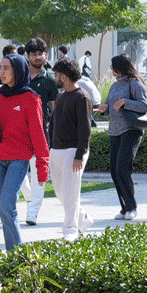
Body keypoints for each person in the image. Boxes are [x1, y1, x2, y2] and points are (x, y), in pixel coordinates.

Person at [0, 53, 50, 250]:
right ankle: (15, 254)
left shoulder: (31, 99)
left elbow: (39, 134)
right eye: (0, 67)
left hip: (18, 159)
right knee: (2, 208)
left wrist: (42, 166)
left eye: (7, 68)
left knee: (6, 205)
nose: (1, 72)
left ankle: (17, 255)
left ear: (18, 71)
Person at [95, 54, 147, 220]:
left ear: (119, 67)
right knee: (114, 171)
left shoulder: (135, 83)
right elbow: (111, 110)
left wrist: (126, 101)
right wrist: (104, 109)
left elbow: (144, 106)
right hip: (114, 131)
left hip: (131, 130)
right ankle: (124, 208)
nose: (111, 70)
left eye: (113, 67)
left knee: (122, 169)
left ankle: (132, 207)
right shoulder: (114, 86)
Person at [48, 58, 94, 240]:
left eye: (57, 74)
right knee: (60, 191)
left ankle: (70, 230)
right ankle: (83, 218)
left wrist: (79, 155)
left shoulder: (82, 97)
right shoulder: (61, 97)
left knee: (71, 192)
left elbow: (85, 128)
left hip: (73, 150)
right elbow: (53, 123)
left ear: (64, 77)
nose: (55, 77)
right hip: (56, 150)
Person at [22, 37, 59, 225]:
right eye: (34, 53)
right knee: (17, 172)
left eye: (41, 53)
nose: (38, 57)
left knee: (39, 172)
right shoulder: (19, 76)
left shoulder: (50, 80)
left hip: (41, 133)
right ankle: (29, 197)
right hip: (18, 132)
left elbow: (55, 109)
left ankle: (33, 212)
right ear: (28, 56)